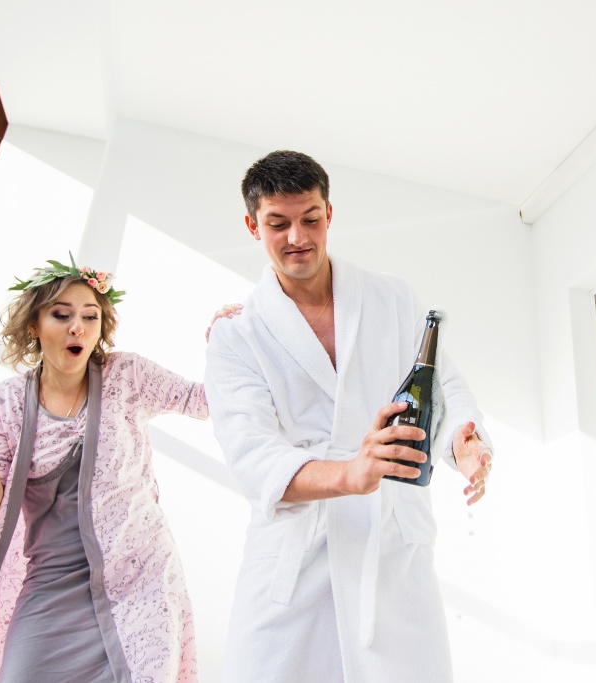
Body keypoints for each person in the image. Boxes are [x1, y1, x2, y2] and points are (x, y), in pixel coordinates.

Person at [204, 150, 494, 683]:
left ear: (329, 214)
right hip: (294, 558)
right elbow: (252, 456)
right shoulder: (237, 335)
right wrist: (348, 474)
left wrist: (463, 442)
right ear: (252, 226)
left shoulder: (392, 297)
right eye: (278, 223)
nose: (298, 237)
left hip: (391, 548)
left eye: (311, 218)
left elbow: (443, 389)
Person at [0, 256, 210, 683]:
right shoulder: (7, 403)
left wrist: (233, 337)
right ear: (34, 325)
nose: (77, 327)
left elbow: (204, 401)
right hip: (50, 588)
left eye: (90, 317)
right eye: (61, 315)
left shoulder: (126, 375)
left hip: (141, 580)